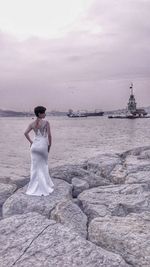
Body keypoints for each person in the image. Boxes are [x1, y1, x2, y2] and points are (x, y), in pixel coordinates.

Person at [24, 106, 54, 196]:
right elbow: (49, 136)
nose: (45, 114)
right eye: (44, 112)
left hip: (34, 146)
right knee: (43, 166)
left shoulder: (32, 123)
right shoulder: (46, 122)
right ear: (40, 113)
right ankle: (44, 187)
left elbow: (25, 133)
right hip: (42, 146)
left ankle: (33, 188)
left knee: (35, 167)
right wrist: (49, 146)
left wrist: (31, 142)